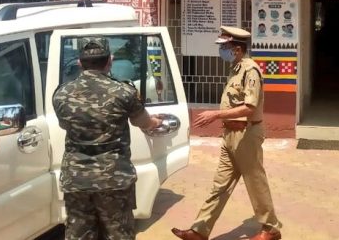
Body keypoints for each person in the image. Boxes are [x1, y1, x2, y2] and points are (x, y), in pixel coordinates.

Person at [172, 26, 282, 240]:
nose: (221, 51)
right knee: (220, 185)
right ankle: (199, 230)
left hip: (246, 135)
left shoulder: (250, 71)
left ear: (237, 49)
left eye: (225, 47)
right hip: (230, 135)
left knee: (255, 181)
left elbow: (249, 107)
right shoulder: (236, 68)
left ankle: (270, 229)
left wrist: (216, 114)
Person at [53, 37, 163, 240]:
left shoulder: (61, 94)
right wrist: (156, 122)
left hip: (77, 179)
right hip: (114, 179)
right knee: (118, 234)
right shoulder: (124, 92)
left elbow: (64, 125)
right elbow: (143, 122)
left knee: (79, 235)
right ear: (110, 61)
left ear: (79, 63)